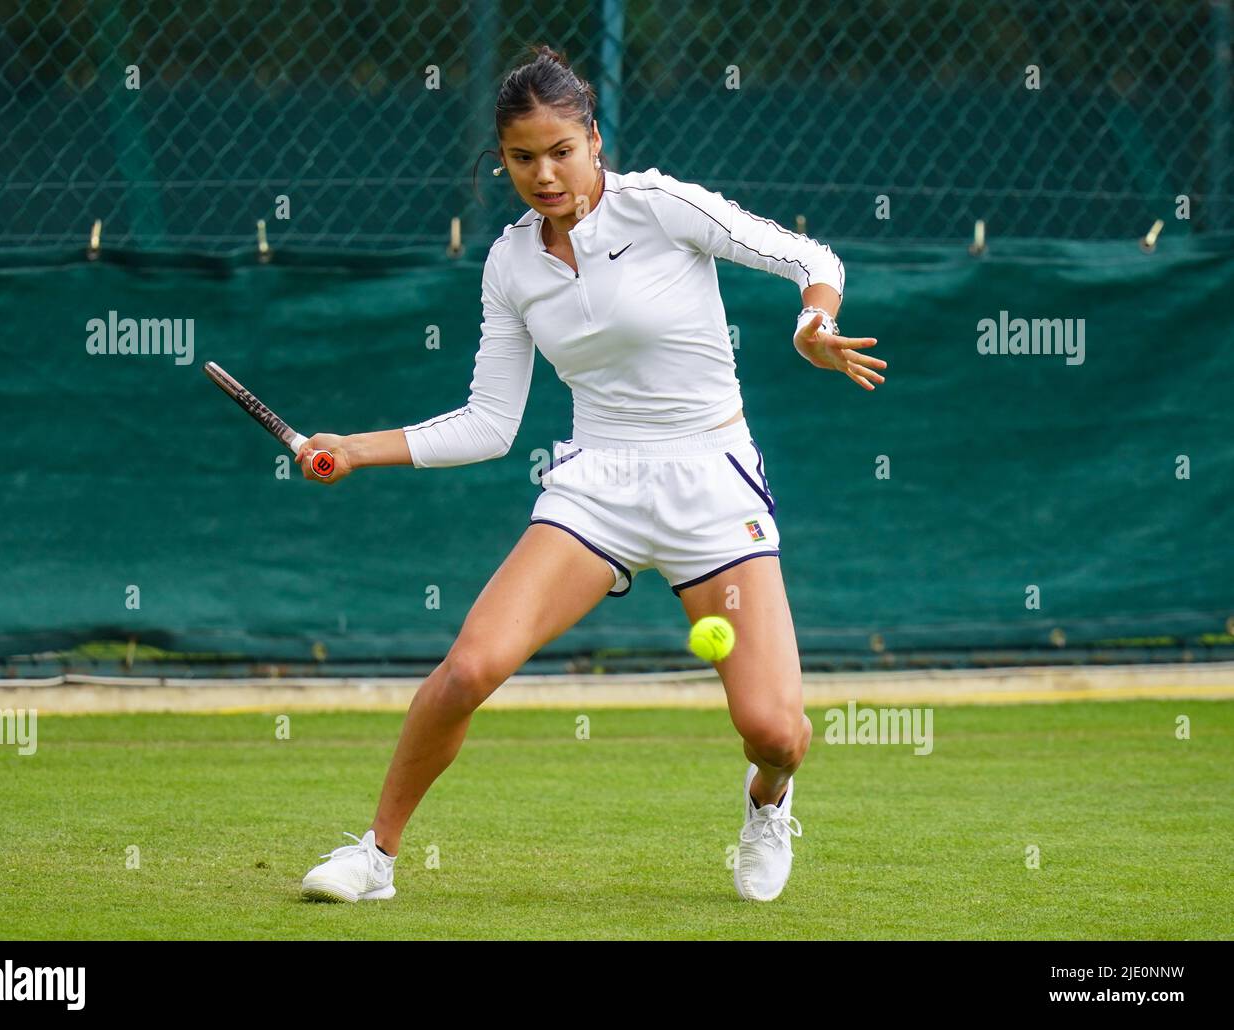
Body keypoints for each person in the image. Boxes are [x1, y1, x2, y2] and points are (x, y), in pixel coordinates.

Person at [295, 44, 884, 904]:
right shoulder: (510, 265)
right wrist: (357, 447)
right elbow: (491, 425)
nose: (544, 173)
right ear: (502, 159)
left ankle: (768, 802)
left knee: (775, 731)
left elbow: (810, 258)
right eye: (522, 157)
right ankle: (375, 857)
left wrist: (812, 325)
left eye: (560, 151)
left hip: (710, 483)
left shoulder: (660, 206)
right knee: (468, 670)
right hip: (596, 487)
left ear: (593, 140)